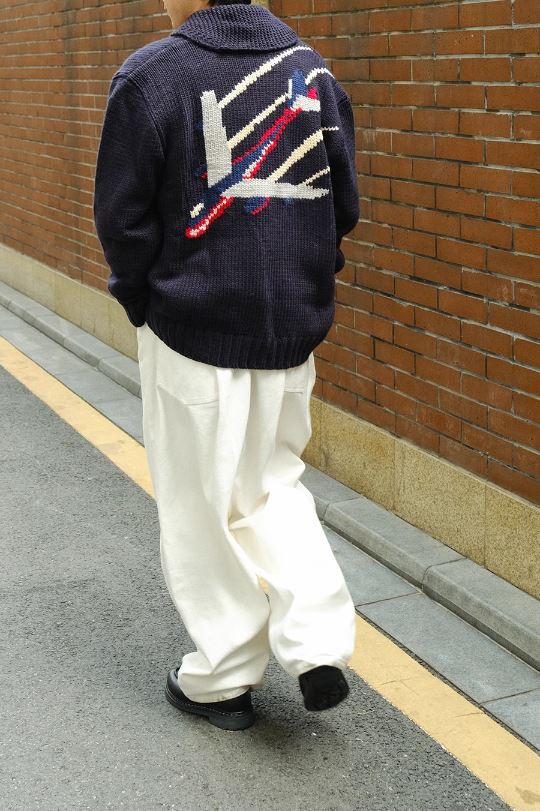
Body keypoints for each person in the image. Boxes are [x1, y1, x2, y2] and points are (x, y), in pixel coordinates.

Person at [93, 0, 360, 732]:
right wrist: (307, 280)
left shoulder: (152, 77)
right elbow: (342, 203)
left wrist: (141, 299)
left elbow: (122, 220)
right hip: (289, 329)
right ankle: (317, 643)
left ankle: (222, 678)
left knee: (200, 504)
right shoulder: (311, 73)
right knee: (271, 482)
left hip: (192, 327)